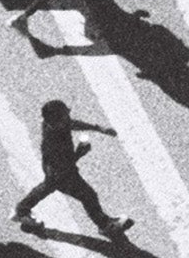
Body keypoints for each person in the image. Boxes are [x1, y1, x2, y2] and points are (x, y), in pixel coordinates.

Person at [11, 100, 133, 238]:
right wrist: (80, 152)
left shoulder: (52, 124)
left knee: (48, 187)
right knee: (88, 196)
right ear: (56, 121)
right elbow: (64, 164)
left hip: (54, 170)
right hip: (61, 173)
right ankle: (105, 226)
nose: (68, 117)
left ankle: (21, 210)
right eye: (65, 116)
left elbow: (72, 124)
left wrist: (98, 128)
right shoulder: (54, 142)